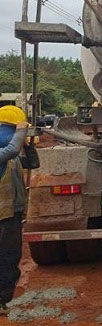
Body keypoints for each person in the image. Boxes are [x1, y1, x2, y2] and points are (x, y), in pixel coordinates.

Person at [0, 106, 28, 316]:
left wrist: (29, 144)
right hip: (4, 214)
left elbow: (32, 163)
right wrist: (20, 132)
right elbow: (11, 151)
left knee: (10, 257)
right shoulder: (8, 148)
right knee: (6, 257)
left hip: (12, 212)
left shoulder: (12, 151)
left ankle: (3, 298)